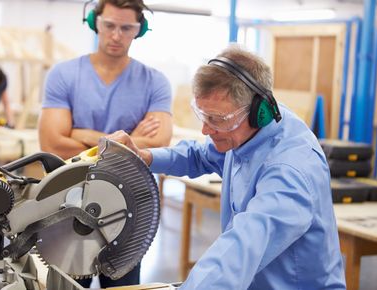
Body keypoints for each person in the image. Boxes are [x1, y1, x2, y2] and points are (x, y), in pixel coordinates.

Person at [105, 45, 346, 289]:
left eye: (217, 120)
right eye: (204, 116)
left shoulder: (290, 170)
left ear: (258, 111)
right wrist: (145, 156)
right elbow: (199, 155)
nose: (206, 130)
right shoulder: (243, 129)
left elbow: (243, 245)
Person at [38, 0, 172, 287]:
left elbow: (159, 142)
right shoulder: (64, 75)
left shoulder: (155, 82)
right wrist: (124, 140)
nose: (116, 35)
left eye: (127, 28)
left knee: (123, 286)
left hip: (129, 211)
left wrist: (78, 132)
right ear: (94, 22)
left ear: (140, 30)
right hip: (67, 206)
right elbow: (52, 143)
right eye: (109, 25)